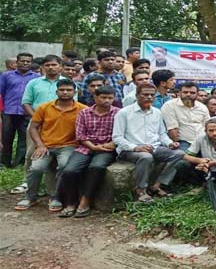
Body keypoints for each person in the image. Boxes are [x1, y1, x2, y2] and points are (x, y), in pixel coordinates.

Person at [14, 79, 87, 211]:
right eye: (62, 90)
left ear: (75, 92)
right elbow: (33, 127)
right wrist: (40, 145)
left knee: (64, 165)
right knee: (36, 167)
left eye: (69, 90)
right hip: (46, 145)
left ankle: (56, 197)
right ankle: (30, 197)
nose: (65, 92)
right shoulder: (44, 107)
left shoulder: (82, 109)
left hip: (68, 146)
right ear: (56, 91)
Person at [112, 83, 183, 202]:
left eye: (152, 95)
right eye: (145, 94)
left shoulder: (156, 112)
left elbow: (161, 134)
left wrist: (169, 143)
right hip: (129, 150)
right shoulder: (124, 113)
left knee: (179, 154)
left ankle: (157, 185)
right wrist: (136, 147)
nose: (149, 97)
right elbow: (117, 137)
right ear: (137, 95)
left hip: (154, 147)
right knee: (146, 157)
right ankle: (140, 190)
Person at [57, 86, 119, 218]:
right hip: (85, 147)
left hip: (107, 149)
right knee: (70, 170)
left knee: (96, 167)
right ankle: (71, 202)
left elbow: (120, 134)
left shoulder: (118, 113)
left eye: (110, 98)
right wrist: (93, 147)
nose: (107, 100)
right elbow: (80, 135)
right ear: (95, 97)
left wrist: (111, 144)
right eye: (103, 97)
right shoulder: (84, 113)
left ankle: (85, 200)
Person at [0, 52, 38, 168]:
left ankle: (19, 163)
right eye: (23, 61)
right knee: (7, 137)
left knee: (23, 138)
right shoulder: (7, 76)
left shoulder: (36, 77)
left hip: (26, 112)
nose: (25, 63)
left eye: (28, 61)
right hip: (8, 111)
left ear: (31, 63)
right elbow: (1, 92)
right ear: (17, 62)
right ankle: (4, 162)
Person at [160, 82, 210, 152]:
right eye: (185, 92)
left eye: (192, 93)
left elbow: (208, 126)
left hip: (203, 142)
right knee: (184, 161)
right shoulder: (170, 105)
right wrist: (176, 145)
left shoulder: (202, 107)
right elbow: (172, 130)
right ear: (180, 93)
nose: (188, 95)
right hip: (183, 142)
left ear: (197, 94)